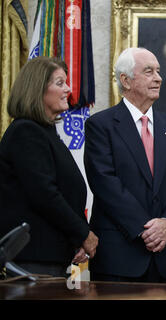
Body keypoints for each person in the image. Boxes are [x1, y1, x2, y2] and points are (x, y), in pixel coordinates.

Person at [84, 47, 166, 283]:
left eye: (158, 71)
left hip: (164, 258)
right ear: (126, 80)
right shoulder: (101, 125)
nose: (158, 78)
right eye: (149, 72)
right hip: (118, 258)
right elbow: (105, 183)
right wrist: (147, 229)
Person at [0, 57, 98, 277]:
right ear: (37, 89)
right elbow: (45, 194)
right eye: (59, 83)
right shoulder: (25, 132)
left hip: (49, 256)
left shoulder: (46, 133)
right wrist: (83, 234)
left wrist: (76, 237)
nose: (69, 90)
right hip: (32, 258)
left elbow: (66, 193)